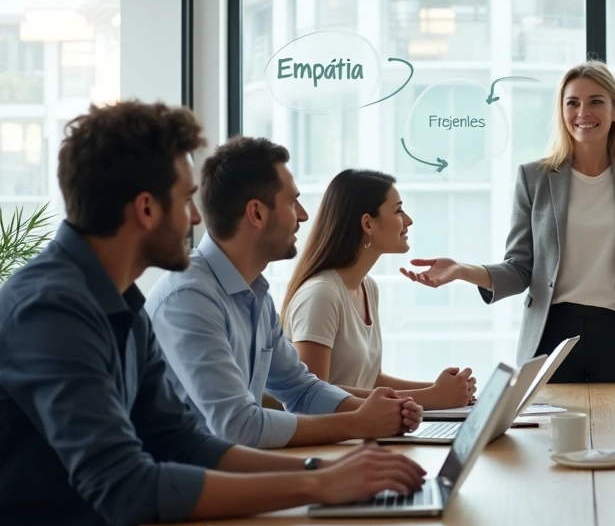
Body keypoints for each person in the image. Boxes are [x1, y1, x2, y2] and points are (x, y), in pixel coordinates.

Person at [0, 102, 425, 526]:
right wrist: (316, 483)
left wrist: (323, 471)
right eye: (186, 201)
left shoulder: (121, 303)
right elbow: (127, 486)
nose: (196, 216)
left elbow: (180, 440)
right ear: (145, 209)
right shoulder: (50, 309)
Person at [402, 61, 615, 383]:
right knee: (546, 443)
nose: (583, 112)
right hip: (552, 332)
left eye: (596, 101)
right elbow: (520, 269)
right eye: (572, 103)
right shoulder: (534, 177)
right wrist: (463, 270)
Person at [146, 136, 424, 449]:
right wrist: (357, 422)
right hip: (189, 489)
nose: (304, 215)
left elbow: (301, 388)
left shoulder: (256, 295)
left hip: (232, 475)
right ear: (257, 213)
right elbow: (237, 426)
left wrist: (384, 412)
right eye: (293, 202)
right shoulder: (189, 297)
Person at [281, 169, 476, 409]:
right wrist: (432, 398)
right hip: (329, 441)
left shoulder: (367, 287)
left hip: (360, 434)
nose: (408, 220)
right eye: (398, 210)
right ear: (367, 223)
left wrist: (447, 392)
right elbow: (313, 393)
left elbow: (370, 380)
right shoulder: (321, 294)